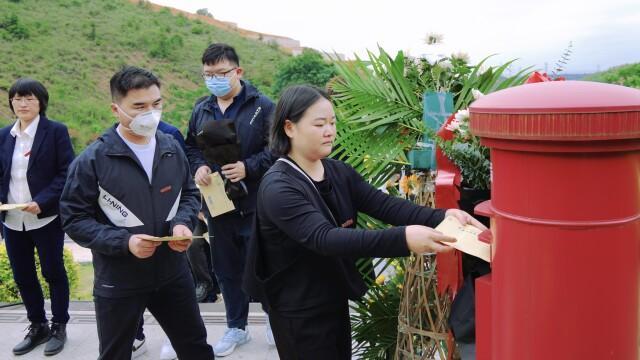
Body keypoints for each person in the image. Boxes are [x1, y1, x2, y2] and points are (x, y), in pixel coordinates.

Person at [243, 85, 486, 359]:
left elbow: (384, 205)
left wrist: (442, 216)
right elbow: (325, 238)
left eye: (332, 123)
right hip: (297, 307)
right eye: (319, 124)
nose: (330, 131)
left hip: (332, 294)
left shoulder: (337, 171)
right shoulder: (279, 187)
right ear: (289, 127)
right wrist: (404, 239)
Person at [59, 66, 214, 360]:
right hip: (119, 279)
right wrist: (124, 242)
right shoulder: (92, 160)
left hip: (173, 273)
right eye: (139, 106)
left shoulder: (171, 148)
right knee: (116, 353)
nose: (151, 113)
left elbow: (190, 194)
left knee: (195, 347)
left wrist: (182, 223)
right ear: (116, 109)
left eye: (156, 104)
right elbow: (74, 219)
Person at [185, 43, 275, 356]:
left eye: (221, 73)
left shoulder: (262, 106)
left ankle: (273, 320)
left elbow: (277, 149)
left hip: (256, 203)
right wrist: (199, 167)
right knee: (226, 267)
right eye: (208, 74)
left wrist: (248, 167)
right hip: (217, 203)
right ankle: (236, 327)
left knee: (262, 263)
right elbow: (191, 147)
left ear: (238, 71)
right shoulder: (202, 108)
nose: (214, 79)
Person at [0, 78, 74, 356]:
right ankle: (37, 325)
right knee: (23, 275)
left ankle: (59, 326)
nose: (22, 103)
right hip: (12, 221)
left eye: (29, 98)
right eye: (17, 98)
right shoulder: (4, 135)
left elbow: (66, 172)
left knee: (53, 272)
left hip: (45, 219)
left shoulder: (55, 132)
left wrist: (41, 201)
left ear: (41, 102)